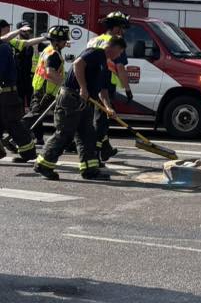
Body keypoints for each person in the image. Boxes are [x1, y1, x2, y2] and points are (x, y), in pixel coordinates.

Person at [33, 37, 125, 181]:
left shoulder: (105, 66)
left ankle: (90, 170)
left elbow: (103, 90)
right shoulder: (95, 53)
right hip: (72, 98)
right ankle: (43, 164)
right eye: (120, 52)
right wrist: (83, 88)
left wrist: (108, 108)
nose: (119, 55)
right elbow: (78, 64)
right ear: (113, 47)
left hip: (84, 103)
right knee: (65, 134)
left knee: (87, 136)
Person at [88, 11, 133, 164]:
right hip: (105, 86)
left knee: (98, 118)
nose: (123, 32)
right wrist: (127, 90)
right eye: (122, 28)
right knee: (101, 121)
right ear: (116, 28)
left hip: (91, 85)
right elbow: (120, 69)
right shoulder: (116, 44)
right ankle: (95, 154)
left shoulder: (94, 40)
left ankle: (105, 148)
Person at [27, 25, 69, 146]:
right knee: (35, 116)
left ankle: (64, 141)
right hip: (46, 91)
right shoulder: (53, 54)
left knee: (37, 115)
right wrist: (64, 84)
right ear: (56, 42)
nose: (65, 43)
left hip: (41, 88)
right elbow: (50, 72)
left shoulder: (48, 50)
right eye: (64, 41)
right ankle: (17, 136)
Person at [0, 37, 38, 165]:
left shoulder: (2, 48)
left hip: (6, 95)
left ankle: (29, 153)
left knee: (14, 125)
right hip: (5, 94)